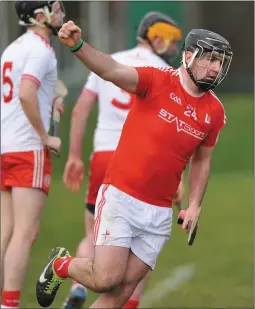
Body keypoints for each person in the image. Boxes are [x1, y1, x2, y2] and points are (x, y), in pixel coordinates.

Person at [36, 20, 233, 309]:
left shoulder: (215, 111)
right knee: (106, 279)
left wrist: (194, 205)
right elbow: (110, 70)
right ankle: (61, 265)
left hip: (160, 214)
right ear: (189, 56)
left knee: (120, 294)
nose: (216, 68)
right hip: (122, 197)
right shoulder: (157, 80)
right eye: (211, 59)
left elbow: (202, 160)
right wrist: (77, 46)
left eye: (221, 62)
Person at [61, 11, 184, 309]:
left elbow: (80, 111)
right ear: (156, 37)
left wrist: (75, 156)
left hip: (103, 154)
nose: (173, 48)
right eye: (170, 40)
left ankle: (78, 285)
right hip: (141, 162)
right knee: (140, 245)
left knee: (93, 231)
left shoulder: (108, 58)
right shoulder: (168, 75)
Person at [0, 1, 66, 308]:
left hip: (6, 148)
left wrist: (50, 99)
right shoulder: (41, 49)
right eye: (57, 8)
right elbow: (26, 93)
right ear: (40, 16)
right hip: (29, 149)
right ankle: (9, 304)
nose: (63, 13)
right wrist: (45, 136)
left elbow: (22, 94)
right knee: (24, 234)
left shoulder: (13, 47)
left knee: (6, 233)